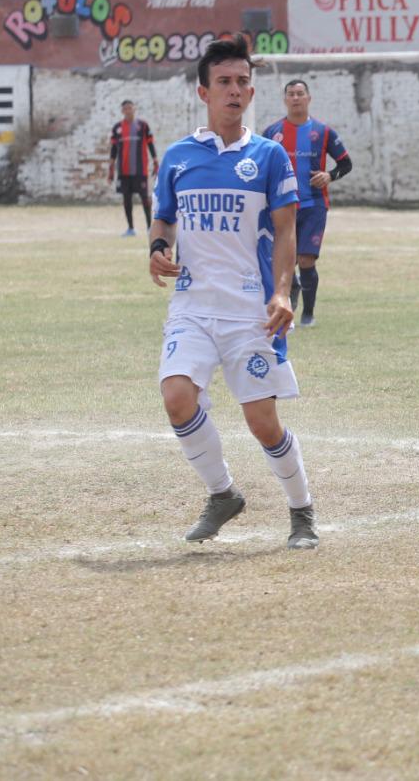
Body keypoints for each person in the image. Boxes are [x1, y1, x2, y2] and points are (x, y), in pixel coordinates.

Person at [148, 36, 318, 549]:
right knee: (177, 397)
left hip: (250, 311)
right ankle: (222, 494)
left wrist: (283, 292)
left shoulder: (269, 157)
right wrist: (157, 247)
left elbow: (286, 230)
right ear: (204, 91)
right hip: (193, 306)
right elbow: (164, 218)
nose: (235, 90)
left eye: (243, 81)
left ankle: (302, 512)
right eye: (224, 81)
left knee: (262, 423)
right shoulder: (179, 156)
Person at [261, 80, 351, 328]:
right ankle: (292, 288)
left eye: (300, 94)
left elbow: (346, 164)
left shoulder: (323, 132)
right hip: (281, 206)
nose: (296, 98)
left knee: (306, 261)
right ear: (285, 100)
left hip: (313, 205)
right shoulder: (272, 133)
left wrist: (330, 176)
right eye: (291, 94)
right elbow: (259, 164)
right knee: (282, 258)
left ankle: (308, 313)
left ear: (309, 98)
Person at [108, 100, 158, 237]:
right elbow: (113, 149)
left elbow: (150, 144)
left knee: (145, 198)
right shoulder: (117, 128)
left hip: (140, 170)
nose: (128, 110)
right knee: (126, 199)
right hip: (123, 171)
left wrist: (155, 160)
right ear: (122, 111)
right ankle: (131, 228)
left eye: (130, 108)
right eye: (125, 109)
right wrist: (111, 167)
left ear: (134, 109)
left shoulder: (143, 126)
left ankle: (149, 228)